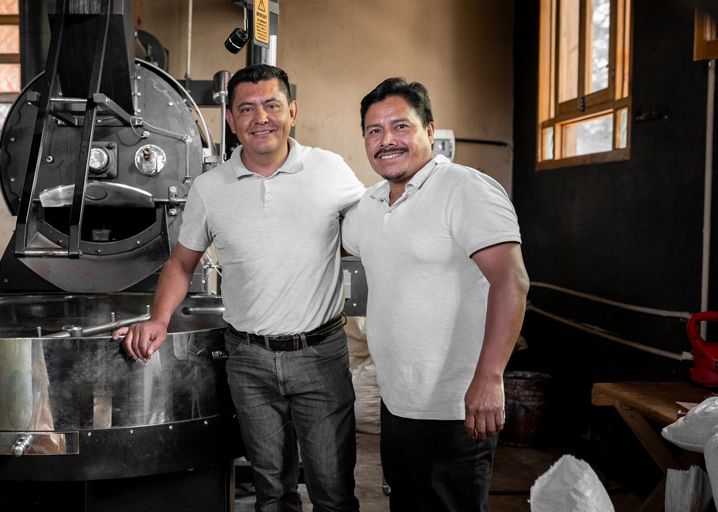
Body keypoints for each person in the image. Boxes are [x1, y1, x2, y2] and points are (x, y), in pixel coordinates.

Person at [113, 64, 364, 512]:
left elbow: (374, 228)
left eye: (271, 105)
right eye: (246, 109)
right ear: (230, 120)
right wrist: (159, 319)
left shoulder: (330, 170)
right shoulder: (211, 188)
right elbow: (181, 263)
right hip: (248, 360)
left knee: (332, 489)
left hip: (319, 355)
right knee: (271, 491)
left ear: (292, 111)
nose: (260, 118)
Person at [341, 77, 530, 511]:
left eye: (400, 126)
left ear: (429, 131)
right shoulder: (369, 207)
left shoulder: (465, 189)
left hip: (456, 409)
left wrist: (489, 379)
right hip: (399, 404)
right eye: (374, 131)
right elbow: (330, 241)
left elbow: (512, 282)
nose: (386, 140)